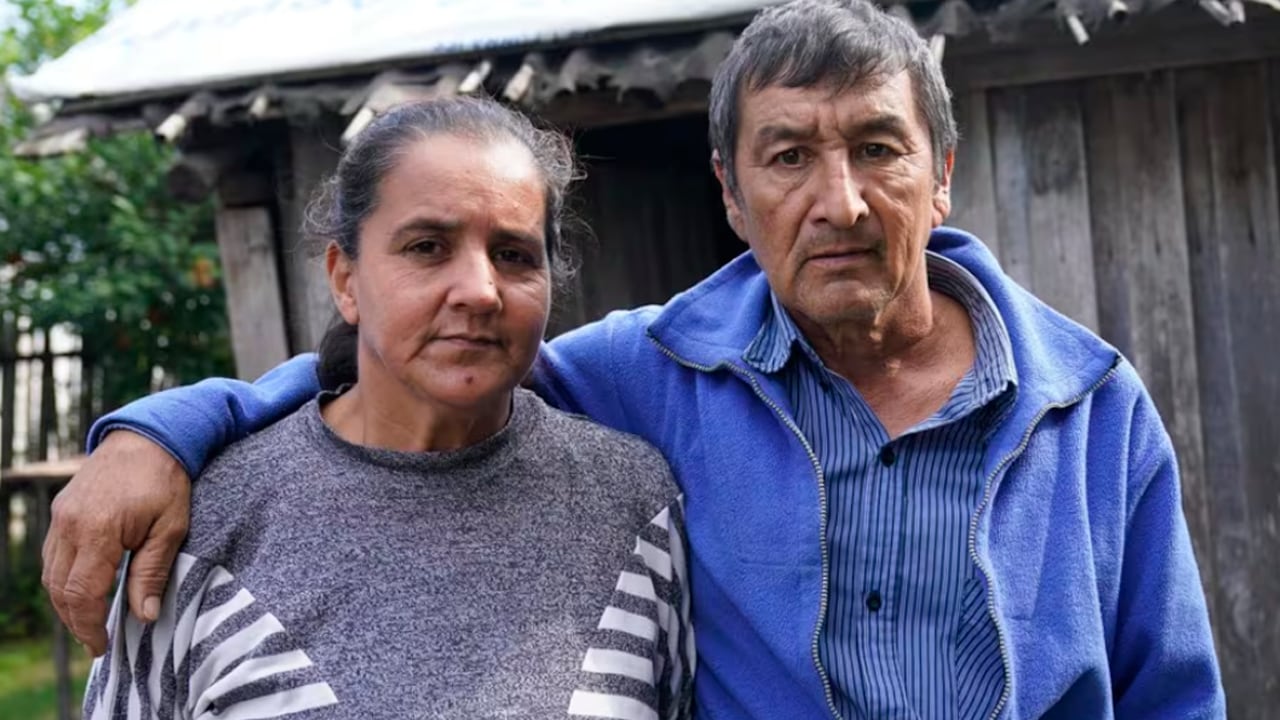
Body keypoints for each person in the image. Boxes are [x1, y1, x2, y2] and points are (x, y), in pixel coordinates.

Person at [47, 0, 1224, 717]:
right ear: (729, 192)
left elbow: (1171, 699)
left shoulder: (1088, 409)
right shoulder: (652, 372)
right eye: (785, 158)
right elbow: (422, 367)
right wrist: (169, 427)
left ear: (941, 171)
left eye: (878, 148)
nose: (839, 201)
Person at [78, 96, 693, 719]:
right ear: (346, 280)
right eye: (427, 246)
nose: (480, 291)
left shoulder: (629, 503)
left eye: (513, 254)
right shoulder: (209, 523)